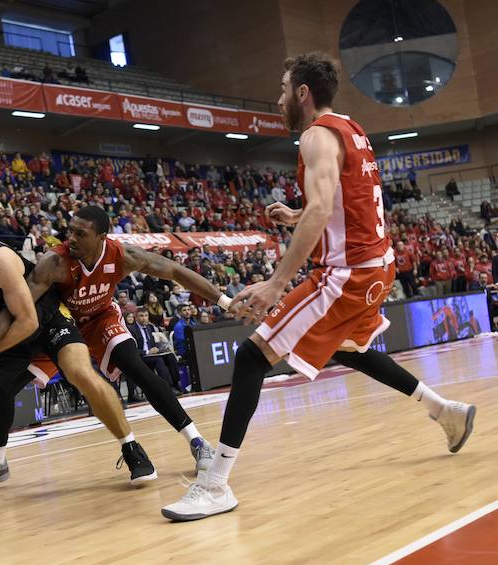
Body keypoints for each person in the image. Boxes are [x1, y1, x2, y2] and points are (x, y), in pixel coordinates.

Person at [161, 52, 476, 522]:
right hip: (378, 266)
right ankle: (444, 411)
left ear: (303, 93)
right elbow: (344, 202)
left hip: (346, 275)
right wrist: (299, 214)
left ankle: (215, 484)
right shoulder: (352, 128)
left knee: (251, 357)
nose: (279, 98)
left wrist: (275, 283)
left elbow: (323, 204)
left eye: (285, 89)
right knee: (348, 349)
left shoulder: (314, 135)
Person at [0, 203, 154, 508]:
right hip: (7, 335)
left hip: (47, 319)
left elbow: (28, 321)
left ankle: (131, 448)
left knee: (80, 373)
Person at [0, 206, 230, 478]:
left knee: (137, 368)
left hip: (101, 318)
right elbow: (19, 307)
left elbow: (175, 272)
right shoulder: (55, 262)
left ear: (101, 237)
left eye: (80, 233)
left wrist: (225, 301)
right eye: (70, 231)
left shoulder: (123, 255)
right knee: (4, 388)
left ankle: (198, 443)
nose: (71, 238)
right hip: (59, 325)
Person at [128, 308, 182, 392]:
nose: (144, 318)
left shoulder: (150, 327)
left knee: (170, 356)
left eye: (146, 316)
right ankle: (168, 388)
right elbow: (132, 350)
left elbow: (153, 343)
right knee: (158, 360)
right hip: (141, 356)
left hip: (152, 354)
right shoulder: (131, 329)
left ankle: (176, 383)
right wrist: (147, 352)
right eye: (141, 316)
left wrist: (160, 348)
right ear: (136, 317)